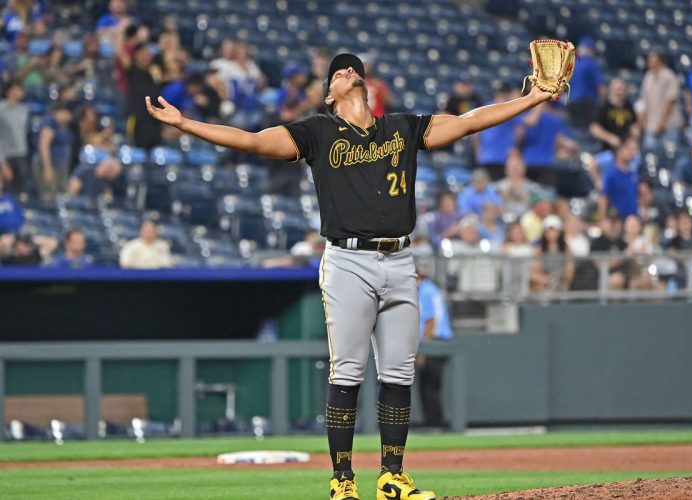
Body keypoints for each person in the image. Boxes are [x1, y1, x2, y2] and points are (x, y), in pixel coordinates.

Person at [145, 51, 556, 500]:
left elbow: (469, 121)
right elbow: (253, 141)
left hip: (400, 258)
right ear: (328, 96)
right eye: (338, 70)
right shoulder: (318, 132)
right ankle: (343, 482)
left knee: (398, 374)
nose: (348, 70)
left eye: (353, 67)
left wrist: (532, 100)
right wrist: (186, 125)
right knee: (349, 373)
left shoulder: (401, 128)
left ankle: (392, 478)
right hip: (348, 261)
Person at [416, 271, 453, 429]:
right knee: (431, 385)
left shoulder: (425, 290)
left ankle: (434, 424)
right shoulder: (432, 289)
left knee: (429, 386)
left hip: (434, 341)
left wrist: (425, 349)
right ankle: (434, 422)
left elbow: (430, 320)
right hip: (439, 340)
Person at [638, 50, 683, 151]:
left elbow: (670, 100)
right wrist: (642, 120)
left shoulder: (669, 76)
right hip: (651, 124)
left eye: (652, 59)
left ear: (660, 60)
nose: (649, 61)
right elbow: (643, 100)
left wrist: (662, 122)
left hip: (669, 124)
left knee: (669, 154)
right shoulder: (648, 76)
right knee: (649, 153)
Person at [476, 85, 523, 179]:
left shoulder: (509, 109)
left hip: (500, 158)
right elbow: (521, 131)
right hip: (492, 157)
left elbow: (520, 131)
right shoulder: (508, 109)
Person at [35, 102, 74, 200]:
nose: (70, 117)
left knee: (61, 196)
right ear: (62, 112)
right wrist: (47, 168)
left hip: (60, 166)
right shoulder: (50, 123)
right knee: (49, 197)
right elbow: (44, 146)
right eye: (69, 114)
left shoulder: (64, 126)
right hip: (50, 165)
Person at [589, 77, 638, 151]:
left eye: (623, 89)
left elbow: (634, 125)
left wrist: (634, 137)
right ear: (611, 90)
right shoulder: (603, 106)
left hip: (626, 149)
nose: (621, 92)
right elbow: (594, 128)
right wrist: (610, 138)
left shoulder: (628, 106)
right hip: (608, 149)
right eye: (618, 89)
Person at [567, 36, 605, 128]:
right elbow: (601, 88)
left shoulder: (572, 64)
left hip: (571, 102)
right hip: (587, 103)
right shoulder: (591, 64)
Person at [529, 215, 574, 292]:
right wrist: (546, 279)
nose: (551, 234)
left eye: (554, 231)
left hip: (561, 281)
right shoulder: (539, 249)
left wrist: (564, 280)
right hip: (544, 282)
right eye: (549, 231)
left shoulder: (566, 248)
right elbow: (534, 269)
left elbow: (569, 268)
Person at [598, 137, 640, 220]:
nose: (631, 152)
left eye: (634, 149)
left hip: (632, 220)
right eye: (628, 148)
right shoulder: (611, 175)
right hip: (616, 220)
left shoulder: (633, 175)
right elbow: (603, 198)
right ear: (619, 150)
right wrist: (602, 220)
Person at [0, 80, 30, 195]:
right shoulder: (1, 110)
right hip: (6, 156)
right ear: (10, 91)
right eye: (18, 89)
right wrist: (2, 163)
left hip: (22, 155)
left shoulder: (24, 110)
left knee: (21, 192)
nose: (21, 92)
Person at [496, 151, 539, 219]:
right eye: (511, 168)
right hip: (505, 218)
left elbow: (536, 206)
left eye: (516, 168)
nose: (514, 171)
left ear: (523, 169)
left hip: (526, 218)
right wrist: (506, 194)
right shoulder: (499, 186)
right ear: (506, 170)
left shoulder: (532, 187)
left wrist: (520, 195)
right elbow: (495, 205)